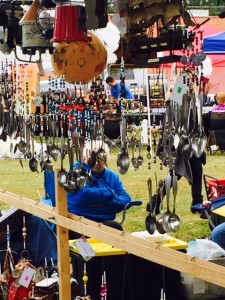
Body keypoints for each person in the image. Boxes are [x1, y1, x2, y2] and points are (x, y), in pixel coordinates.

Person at [44, 142, 132, 235]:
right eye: (93, 158)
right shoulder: (76, 173)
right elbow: (83, 195)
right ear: (84, 158)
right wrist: (110, 193)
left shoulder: (112, 176)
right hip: (77, 220)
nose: (97, 163)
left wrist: (107, 204)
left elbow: (126, 198)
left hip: (102, 221)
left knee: (115, 229)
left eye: (101, 159)